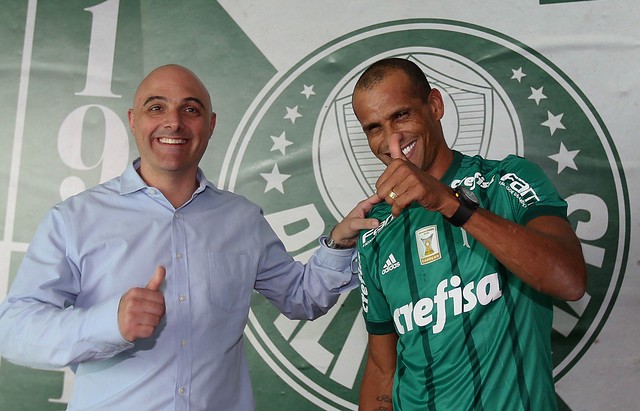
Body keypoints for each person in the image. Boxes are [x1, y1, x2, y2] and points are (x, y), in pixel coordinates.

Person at [0, 64, 378, 410]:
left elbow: (302, 298)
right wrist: (108, 323)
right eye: (156, 108)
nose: (174, 123)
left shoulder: (242, 219)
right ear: (133, 121)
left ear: (211, 125)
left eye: (190, 110)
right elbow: (13, 330)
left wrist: (340, 242)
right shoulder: (74, 219)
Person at [352, 58, 587, 410]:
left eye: (401, 115)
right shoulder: (374, 232)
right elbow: (383, 370)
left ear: (434, 105)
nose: (391, 139)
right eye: (374, 127)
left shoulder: (508, 181)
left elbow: (568, 280)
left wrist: (449, 202)